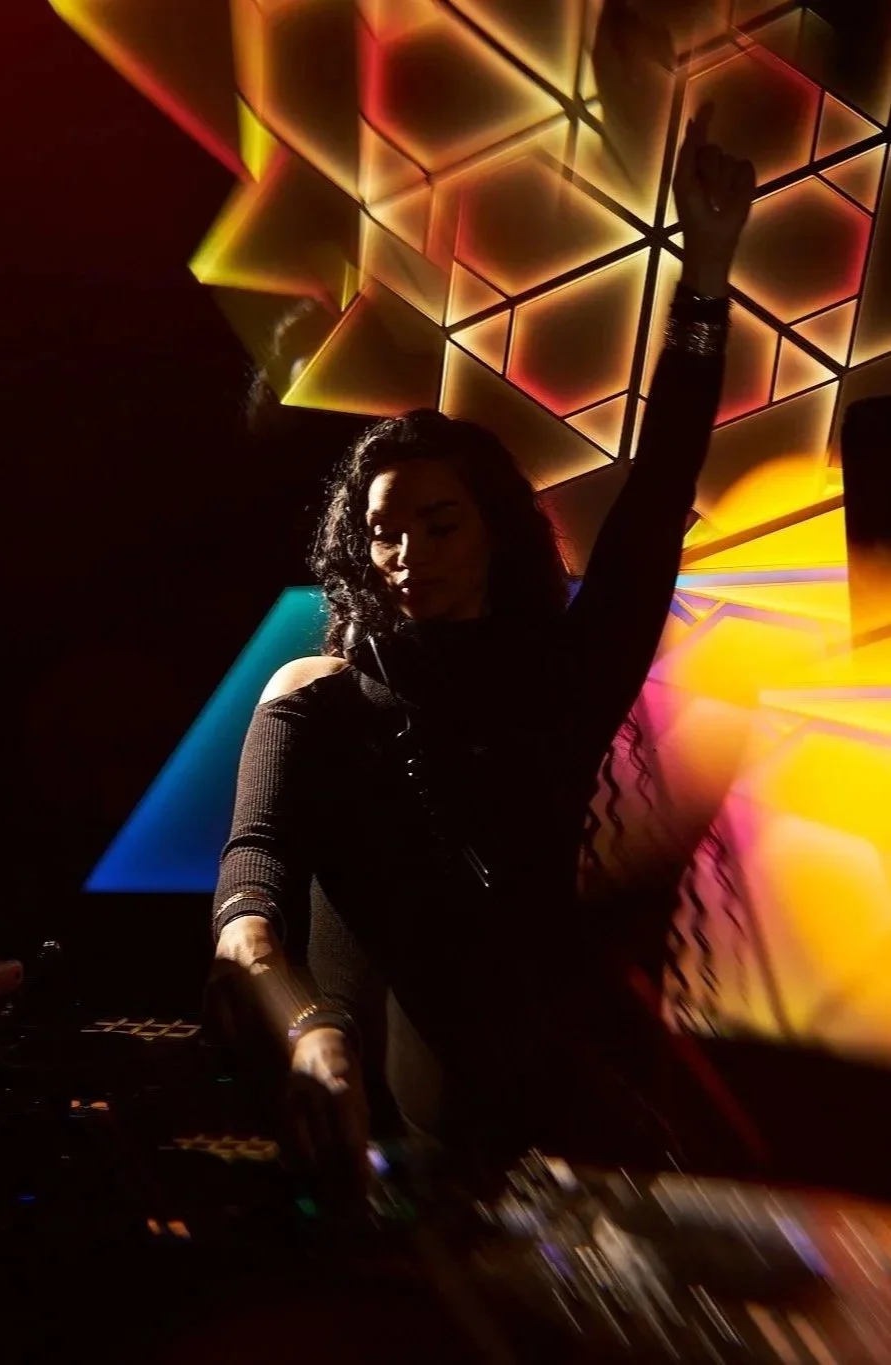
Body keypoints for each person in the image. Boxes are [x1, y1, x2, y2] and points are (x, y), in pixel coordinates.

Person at [208, 104, 756, 1184]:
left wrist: (706, 276)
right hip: (376, 1123)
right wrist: (305, 1033)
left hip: (557, 1113)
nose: (404, 551)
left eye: (437, 523)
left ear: (495, 532)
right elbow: (248, 903)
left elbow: (653, 503)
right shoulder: (315, 702)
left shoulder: (564, 678)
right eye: (382, 530)